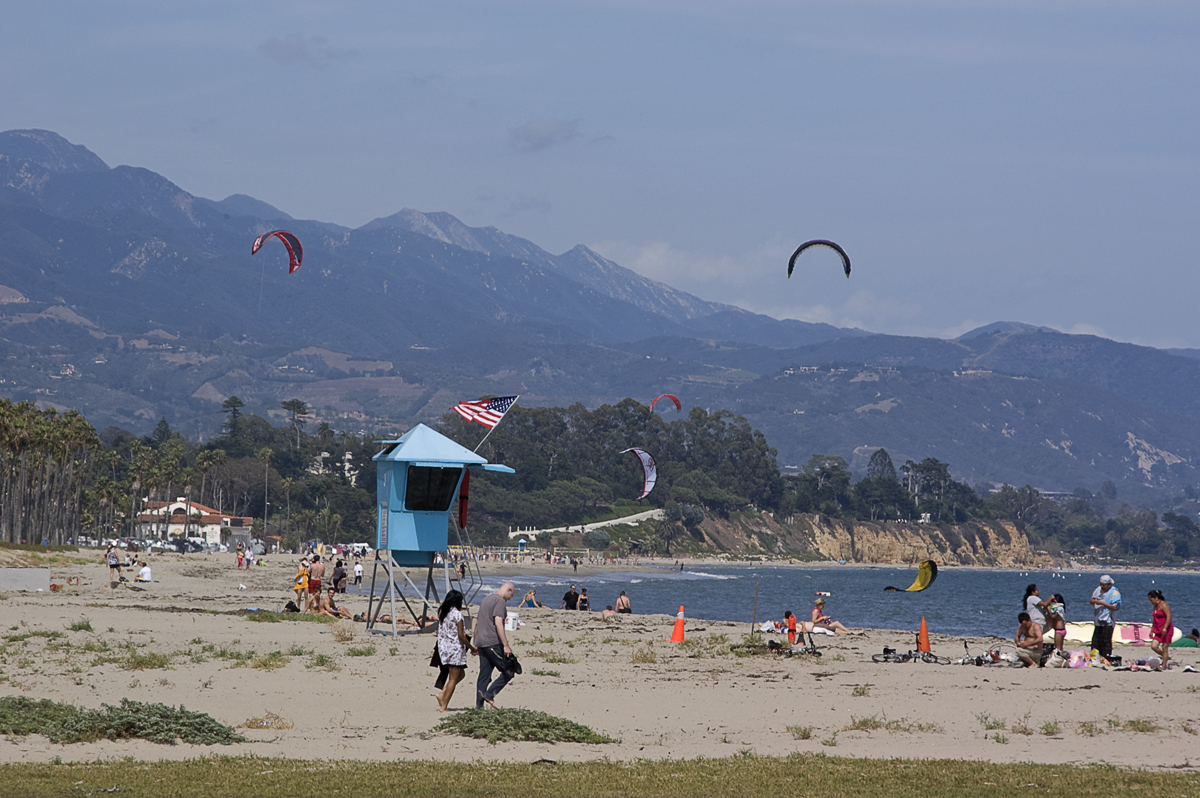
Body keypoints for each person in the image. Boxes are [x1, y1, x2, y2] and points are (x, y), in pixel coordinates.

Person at [475, 581, 517, 709]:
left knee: (484, 674)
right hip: (492, 642)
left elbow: (477, 623)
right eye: (511, 595)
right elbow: (498, 623)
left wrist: (475, 643)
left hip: (482, 642)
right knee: (510, 670)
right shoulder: (499, 601)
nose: (510, 599)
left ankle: (479, 707)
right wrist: (505, 645)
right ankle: (489, 694)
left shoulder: (486, 599)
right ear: (508, 590)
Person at [435, 589, 477, 712]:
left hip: (444, 648)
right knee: (453, 678)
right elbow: (461, 635)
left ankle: (443, 693)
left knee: (461, 674)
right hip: (455, 649)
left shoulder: (444, 613)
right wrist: (471, 647)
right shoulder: (457, 614)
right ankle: (444, 705)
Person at [1089, 574, 1121, 663]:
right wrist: (1093, 601)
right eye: (1101, 584)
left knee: (1106, 641)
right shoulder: (1098, 590)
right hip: (1098, 619)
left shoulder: (1114, 593)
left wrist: (1102, 603)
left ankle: (1106, 657)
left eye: (1104, 585)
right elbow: (1092, 600)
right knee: (1096, 640)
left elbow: (1116, 607)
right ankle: (1095, 657)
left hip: (1108, 621)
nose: (1102, 586)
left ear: (1109, 584)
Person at [1148, 590, 1173, 671]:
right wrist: (1152, 630)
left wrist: (1165, 627)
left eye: (1151, 600)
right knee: (1154, 646)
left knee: (1165, 647)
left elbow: (1168, 616)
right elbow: (1154, 619)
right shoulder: (1155, 606)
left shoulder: (1163, 605)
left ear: (1156, 598)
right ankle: (1165, 656)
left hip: (1166, 629)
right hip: (1158, 629)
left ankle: (1164, 665)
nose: (1151, 602)